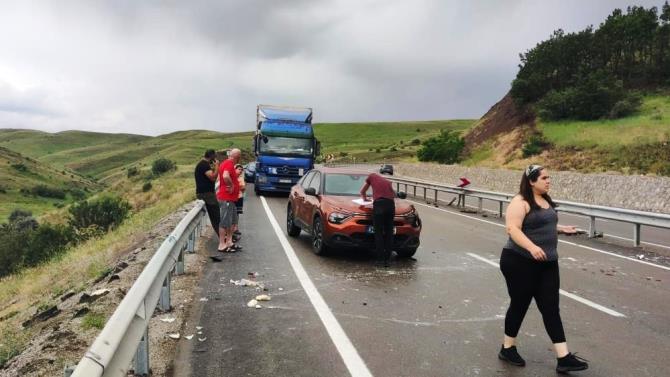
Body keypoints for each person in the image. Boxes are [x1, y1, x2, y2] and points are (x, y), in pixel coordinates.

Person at [498, 164, 588, 373]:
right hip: (519, 261)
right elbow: (512, 229)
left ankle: (563, 357)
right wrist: (531, 246)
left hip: (547, 263)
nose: (548, 181)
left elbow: (541, 223)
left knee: (550, 308)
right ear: (531, 181)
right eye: (544, 178)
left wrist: (562, 228)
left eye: (549, 177)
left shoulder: (545, 200)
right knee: (520, 304)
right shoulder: (519, 202)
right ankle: (507, 348)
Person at [359, 172, 396, 266]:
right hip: (391, 205)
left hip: (379, 205)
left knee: (378, 232)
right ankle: (387, 260)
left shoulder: (371, 176)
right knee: (389, 233)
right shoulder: (387, 182)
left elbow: (362, 191)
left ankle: (380, 260)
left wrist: (365, 198)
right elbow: (393, 194)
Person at [216, 148, 242, 253]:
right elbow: (225, 176)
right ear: (237, 157)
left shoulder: (227, 163)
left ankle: (229, 242)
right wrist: (231, 185)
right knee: (224, 221)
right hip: (226, 197)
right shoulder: (229, 164)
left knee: (232, 221)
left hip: (231, 199)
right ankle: (222, 244)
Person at [194, 149, 219, 236]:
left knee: (215, 216)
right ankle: (223, 237)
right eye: (215, 156)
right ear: (211, 155)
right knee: (216, 215)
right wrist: (217, 166)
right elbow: (213, 177)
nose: (215, 158)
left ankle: (224, 236)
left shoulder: (204, 164)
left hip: (205, 193)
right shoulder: (204, 165)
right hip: (207, 194)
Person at [233, 163, 246, 242]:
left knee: (237, 213)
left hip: (239, 197)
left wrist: (239, 187)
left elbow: (243, 188)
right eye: (239, 169)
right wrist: (239, 187)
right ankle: (232, 228)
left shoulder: (241, 178)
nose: (240, 171)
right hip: (233, 198)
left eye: (241, 170)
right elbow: (239, 187)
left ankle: (236, 228)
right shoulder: (233, 177)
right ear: (235, 169)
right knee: (232, 213)